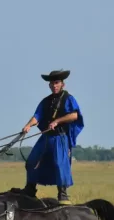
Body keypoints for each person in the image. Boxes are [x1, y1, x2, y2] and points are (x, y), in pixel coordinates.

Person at [13, 69, 84, 204]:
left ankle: (62, 194)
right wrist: (28, 126)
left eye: (57, 83)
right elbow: (37, 116)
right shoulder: (46, 101)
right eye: (52, 83)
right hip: (46, 137)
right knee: (32, 161)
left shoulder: (69, 99)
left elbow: (74, 115)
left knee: (59, 164)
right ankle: (30, 190)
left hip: (60, 138)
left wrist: (57, 121)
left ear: (62, 84)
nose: (54, 86)